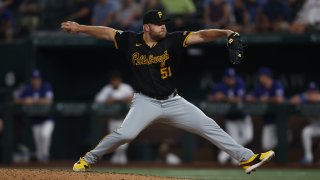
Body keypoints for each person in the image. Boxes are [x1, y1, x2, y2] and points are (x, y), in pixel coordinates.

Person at [61, 9, 274, 174]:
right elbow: (106, 32)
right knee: (125, 134)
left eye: (164, 24)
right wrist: (80, 28)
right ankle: (87, 160)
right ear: (146, 27)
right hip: (145, 102)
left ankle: (246, 158)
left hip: (174, 101)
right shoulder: (130, 41)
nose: (163, 27)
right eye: (158, 24)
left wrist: (226, 32)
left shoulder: (173, 39)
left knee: (208, 125)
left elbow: (202, 35)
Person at [207, 67, 253, 165]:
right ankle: (235, 159)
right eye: (229, 77)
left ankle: (225, 154)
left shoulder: (240, 83)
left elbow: (239, 99)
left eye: (232, 77)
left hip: (243, 116)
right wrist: (216, 97)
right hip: (230, 118)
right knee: (233, 139)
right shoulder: (220, 86)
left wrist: (224, 97)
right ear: (225, 78)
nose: (231, 79)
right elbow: (210, 97)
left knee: (248, 137)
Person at [94, 71, 134, 165]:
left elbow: (132, 97)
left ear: (119, 80)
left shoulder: (126, 87)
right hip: (112, 119)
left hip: (125, 119)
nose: (115, 81)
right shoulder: (107, 89)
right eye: (113, 80)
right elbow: (97, 99)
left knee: (124, 141)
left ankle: (119, 159)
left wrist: (117, 99)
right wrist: (107, 100)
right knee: (114, 141)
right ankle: (118, 160)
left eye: (116, 79)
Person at [15, 69, 54, 163]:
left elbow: (49, 100)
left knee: (45, 135)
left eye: (37, 79)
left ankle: (45, 156)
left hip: (47, 119)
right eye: (34, 79)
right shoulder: (28, 89)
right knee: (38, 147)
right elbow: (17, 100)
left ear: (40, 79)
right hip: (35, 120)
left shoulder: (46, 86)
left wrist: (33, 100)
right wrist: (25, 100)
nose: (35, 81)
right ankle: (41, 164)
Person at [246, 67, 285, 151]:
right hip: (268, 121)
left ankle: (286, 136)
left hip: (279, 121)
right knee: (266, 146)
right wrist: (258, 99)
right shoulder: (260, 87)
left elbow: (280, 100)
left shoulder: (276, 84)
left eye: (261, 76)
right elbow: (249, 98)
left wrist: (267, 99)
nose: (259, 78)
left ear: (266, 76)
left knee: (284, 139)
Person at [290, 81, 320, 165]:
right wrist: (303, 97)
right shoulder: (305, 98)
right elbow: (293, 100)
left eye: (314, 91)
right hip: (315, 126)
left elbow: (316, 98)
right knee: (306, 132)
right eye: (310, 92)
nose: (312, 94)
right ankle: (308, 157)